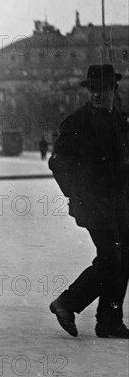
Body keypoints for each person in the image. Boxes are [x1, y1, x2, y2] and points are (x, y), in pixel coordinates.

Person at [49, 64, 129, 339]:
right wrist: (76, 193)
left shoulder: (121, 120)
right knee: (111, 257)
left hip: (120, 202)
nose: (97, 95)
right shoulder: (76, 123)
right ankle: (67, 303)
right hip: (93, 203)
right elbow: (58, 163)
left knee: (123, 258)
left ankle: (109, 321)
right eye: (93, 90)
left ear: (113, 90)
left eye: (103, 90)